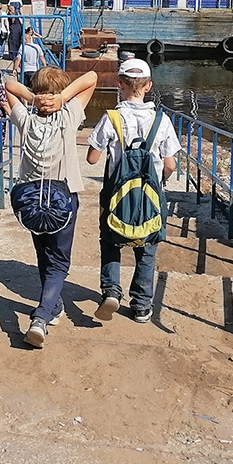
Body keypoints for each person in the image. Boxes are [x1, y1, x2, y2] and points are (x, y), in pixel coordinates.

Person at [5, 68, 98, 348]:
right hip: (62, 198)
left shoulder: (26, 121)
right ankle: (41, 317)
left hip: (31, 200)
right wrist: (63, 98)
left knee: (44, 255)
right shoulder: (69, 116)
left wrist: (33, 98)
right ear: (60, 93)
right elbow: (91, 77)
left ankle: (53, 306)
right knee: (59, 262)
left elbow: (9, 86)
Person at [85, 58, 180, 324]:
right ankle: (141, 306)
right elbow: (171, 164)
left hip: (116, 194)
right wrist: (159, 178)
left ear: (119, 84)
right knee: (147, 248)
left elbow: (92, 158)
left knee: (111, 242)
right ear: (148, 86)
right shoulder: (162, 120)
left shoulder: (112, 117)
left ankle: (111, 291)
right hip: (152, 194)